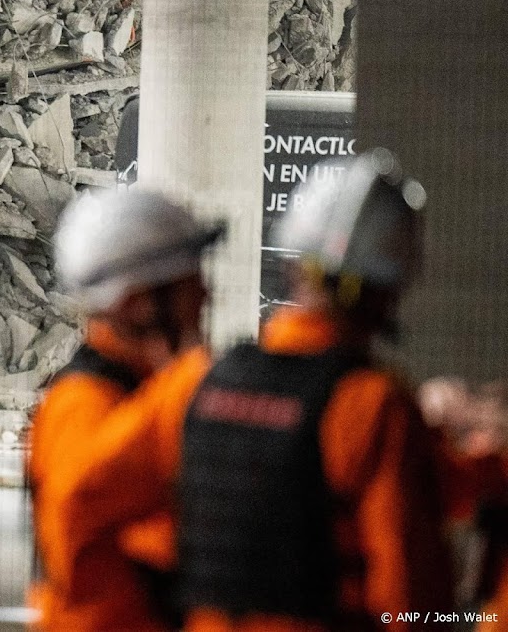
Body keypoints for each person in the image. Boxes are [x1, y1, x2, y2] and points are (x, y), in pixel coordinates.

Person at [54, 149, 455, 631]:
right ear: (389, 289)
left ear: (295, 262)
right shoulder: (374, 405)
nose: (206, 292)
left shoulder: (194, 384)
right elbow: (409, 600)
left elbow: (79, 501)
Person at [27, 189, 224, 631]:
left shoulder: (139, 391)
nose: (206, 294)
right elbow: (81, 509)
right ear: (136, 303)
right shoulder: (83, 402)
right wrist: (200, 382)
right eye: (189, 283)